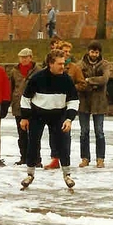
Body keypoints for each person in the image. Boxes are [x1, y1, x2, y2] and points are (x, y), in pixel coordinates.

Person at [19, 49, 79, 189]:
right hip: (38, 114)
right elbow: (26, 98)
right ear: (50, 64)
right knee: (33, 142)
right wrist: (25, 117)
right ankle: (30, 174)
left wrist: (69, 119)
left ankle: (67, 174)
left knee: (63, 142)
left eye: (63, 63)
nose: (62, 67)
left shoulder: (66, 80)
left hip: (58, 115)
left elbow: (74, 100)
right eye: (59, 64)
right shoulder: (37, 78)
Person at [42, 41, 86, 170]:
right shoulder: (49, 69)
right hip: (53, 103)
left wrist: (70, 88)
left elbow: (82, 83)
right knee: (52, 132)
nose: (67, 54)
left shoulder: (74, 68)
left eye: (68, 51)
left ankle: (65, 158)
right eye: (64, 51)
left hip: (67, 104)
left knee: (65, 132)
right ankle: (54, 158)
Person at [77, 40, 109, 168]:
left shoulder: (105, 64)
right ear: (88, 52)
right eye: (92, 51)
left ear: (99, 52)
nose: (94, 54)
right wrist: (90, 83)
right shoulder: (80, 64)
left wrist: (89, 80)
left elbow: (104, 79)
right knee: (84, 131)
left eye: (96, 52)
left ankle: (100, 158)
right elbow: (79, 81)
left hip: (99, 102)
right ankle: (85, 158)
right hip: (84, 101)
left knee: (99, 131)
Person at [9, 48, 43, 166]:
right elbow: (11, 87)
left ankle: (37, 159)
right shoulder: (14, 71)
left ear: (30, 57)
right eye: (21, 57)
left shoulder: (38, 71)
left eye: (25, 57)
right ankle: (24, 157)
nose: (23, 59)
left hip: (34, 106)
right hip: (18, 106)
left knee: (34, 134)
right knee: (22, 135)